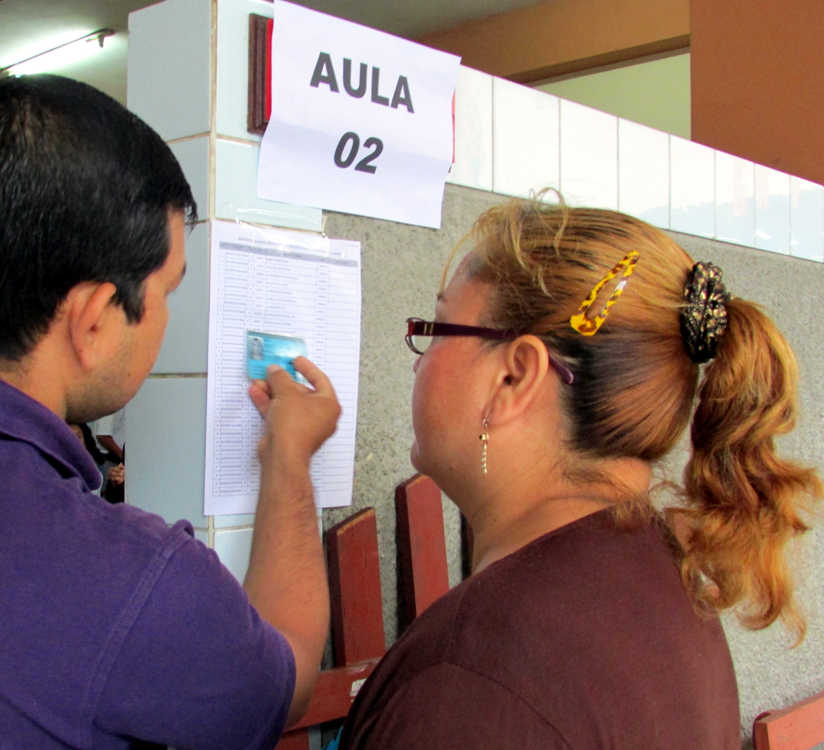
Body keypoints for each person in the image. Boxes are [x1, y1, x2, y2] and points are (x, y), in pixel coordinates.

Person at [0, 75, 340, 749]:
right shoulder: (139, 582)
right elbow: (288, 674)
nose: (164, 319)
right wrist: (290, 458)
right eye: (166, 291)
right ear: (95, 320)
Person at [338, 196, 820, 748]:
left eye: (438, 327)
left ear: (514, 377)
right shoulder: (667, 585)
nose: (421, 360)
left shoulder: (470, 685)